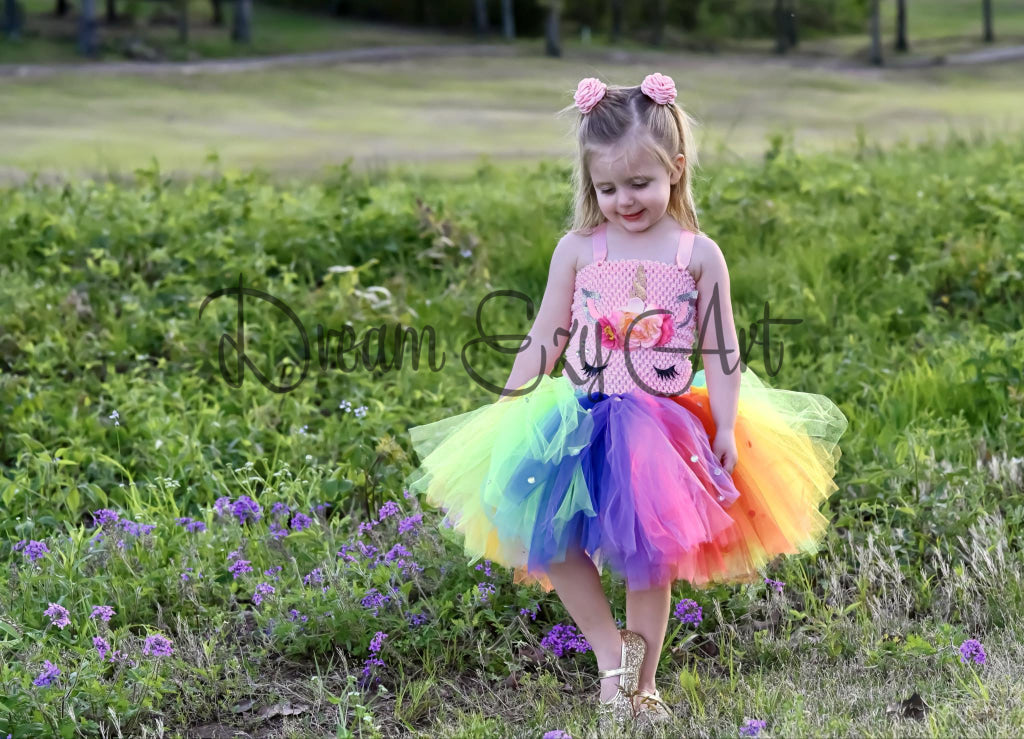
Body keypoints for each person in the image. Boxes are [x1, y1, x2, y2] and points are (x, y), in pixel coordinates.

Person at [403, 73, 848, 734]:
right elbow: (547, 334)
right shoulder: (581, 249)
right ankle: (612, 654)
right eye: (607, 188)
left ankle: (639, 687)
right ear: (591, 184)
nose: (624, 201)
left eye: (639, 184)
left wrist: (724, 420)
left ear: (675, 168)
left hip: (662, 425)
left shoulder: (698, 255)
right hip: (578, 413)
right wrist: (509, 399)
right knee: (546, 535)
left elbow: (722, 348)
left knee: (649, 561)